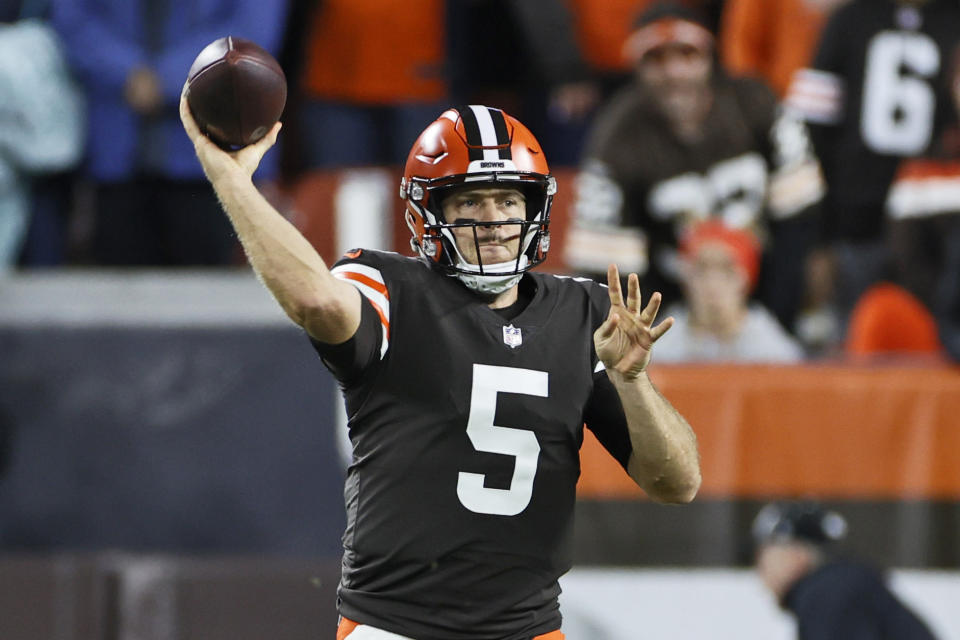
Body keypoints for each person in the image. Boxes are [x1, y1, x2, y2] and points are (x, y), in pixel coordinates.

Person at [180, 95, 701, 637]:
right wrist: (234, 183)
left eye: (507, 200)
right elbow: (317, 301)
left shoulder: (584, 312)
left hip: (527, 627)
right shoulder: (390, 285)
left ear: (535, 209)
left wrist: (632, 381)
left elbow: (677, 483)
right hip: (396, 625)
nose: (494, 221)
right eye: (470, 203)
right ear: (428, 214)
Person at [565, 1, 825, 335]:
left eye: (686, 54)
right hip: (672, 317)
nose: (674, 72)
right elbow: (604, 268)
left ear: (708, 57)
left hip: (770, 292)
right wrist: (658, 332)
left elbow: (800, 220)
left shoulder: (757, 104)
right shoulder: (615, 138)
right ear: (636, 67)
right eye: (656, 59)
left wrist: (776, 320)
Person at [49, 0, 289, 266]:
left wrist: (166, 79)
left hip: (212, 155)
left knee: (207, 291)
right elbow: (72, 20)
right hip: (114, 148)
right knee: (117, 291)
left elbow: (252, 28)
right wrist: (127, 72)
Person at [785, 0, 960, 329]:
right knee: (860, 347)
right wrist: (816, 239)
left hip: (940, 232)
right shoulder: (849, 20)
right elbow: (806, 135)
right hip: (855, 228)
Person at [752, 500, 939, 640]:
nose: (761, 567)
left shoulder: (828, 594)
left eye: (765, 553)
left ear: (797, 553)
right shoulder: (837, 586)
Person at [654, 220, 804, 362]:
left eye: (726, 270)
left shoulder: (771, 349)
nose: (712, 283)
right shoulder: (663, 342)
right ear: (685, 280)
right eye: (701, 269)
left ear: (746, 280)